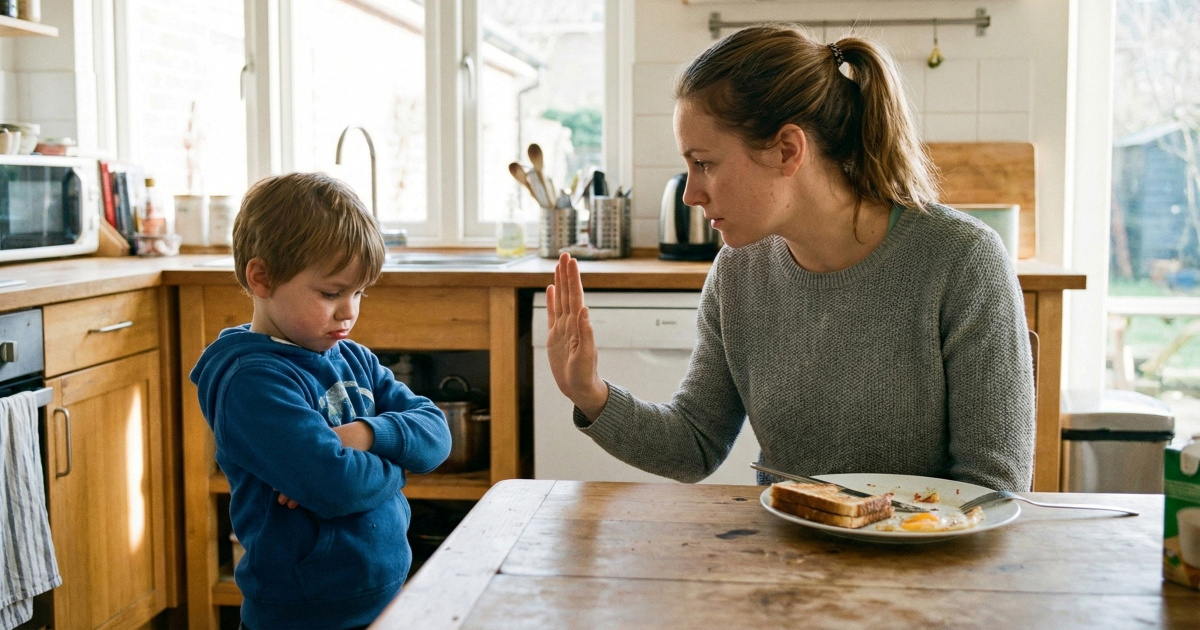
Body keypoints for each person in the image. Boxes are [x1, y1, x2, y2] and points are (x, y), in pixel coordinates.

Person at [544, 25, 1035, 492]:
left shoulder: (962, 261)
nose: (691, 193)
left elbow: (993, 486)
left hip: (927, 567)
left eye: (705, 163)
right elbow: (695, 443)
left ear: (786, 149)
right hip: (786, 562)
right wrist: (590, 394)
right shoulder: (739, 273)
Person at [190, 172, 452, 630]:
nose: (349, 311)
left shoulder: (353, 358)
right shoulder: (249, 380)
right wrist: (398, 464)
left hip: (384, 595)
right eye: (331, 293)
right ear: (262, 278)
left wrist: (365, 435)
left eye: (358, 293)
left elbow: (436, 433)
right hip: (302, 615)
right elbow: (336, 486)